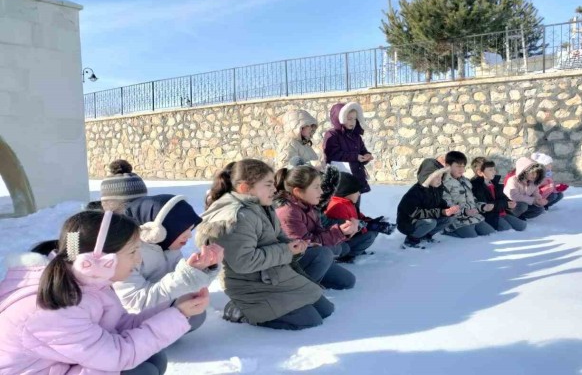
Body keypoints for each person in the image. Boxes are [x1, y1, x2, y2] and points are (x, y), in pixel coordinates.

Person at [0, 210, 208, 375]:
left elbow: (118, 324)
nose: (139, 260)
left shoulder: (87, 282)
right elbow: (117, 355)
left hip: (56, 365)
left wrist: (176, 308)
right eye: (133, 252)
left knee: (152, 359)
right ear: (98, 259)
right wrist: (179, 315)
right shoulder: (53, 308)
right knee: (139, 368)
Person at [196, 159, 333, 331]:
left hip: (272, 275)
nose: (274, 189)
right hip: (250, 286)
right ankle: (240, 310)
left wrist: (293, 246)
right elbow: (243, 262)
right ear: (245, 188)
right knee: (310, 320)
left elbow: (278, 237)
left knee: (326, 310)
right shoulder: (236, 217)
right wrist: (285, 250)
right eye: (268, 184)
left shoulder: (262, 207)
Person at [116, 195, 222, 333]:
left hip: (157, 315)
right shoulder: (128, 254)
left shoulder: (170, 249)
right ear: (159, 230)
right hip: (129, 324)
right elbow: (134, 303)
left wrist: (205, 268)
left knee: (195, 311)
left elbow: (185, 288)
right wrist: (184, 278)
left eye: (191, 229)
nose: (189, 236)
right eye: (182, 229)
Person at [274, 166, 357, 290]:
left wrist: (343, 231)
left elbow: (319, 232)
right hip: (289, 264)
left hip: (308, 257)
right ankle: (302, 291)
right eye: (316, 187)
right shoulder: (287, 212)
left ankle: (312, 279)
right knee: (324, 254)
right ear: (298, 191)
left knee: (348, 281)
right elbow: (302, 245)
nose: (321, 192)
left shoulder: (308, 206)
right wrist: (338, 233)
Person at [324, 173, 393, 262]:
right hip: (340, 243)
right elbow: (346, 231)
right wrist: (367, 227)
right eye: (357, 191)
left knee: (374, 230)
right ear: (346, 191)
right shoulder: (338, 206)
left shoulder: (347, 203)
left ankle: (356, 250)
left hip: (349, 237)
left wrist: (373, 221)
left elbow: (359, 216)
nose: (359, 194)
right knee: (370, 235)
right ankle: (347, 256)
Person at [396, 159, 459, 249]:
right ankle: (411, 240)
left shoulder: (436, 188)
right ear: (428, 176)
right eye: (437, 177)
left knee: (449, 218)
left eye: (441, 177)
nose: (440, 180)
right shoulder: (415, 192)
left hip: (424, 219)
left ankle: (425, 236)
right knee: (430, 222)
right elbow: (416, 213)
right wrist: (441, 212)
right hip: (408, 223)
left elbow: (439, 202)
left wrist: (448, 209)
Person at [322, 102, 373, 200]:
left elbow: (362, 150)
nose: (352, 122)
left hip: (356, 176)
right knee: (343, 205)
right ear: (339, 119)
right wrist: (355, 157)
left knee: (355, 203)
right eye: (349, 119)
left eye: (354, 119)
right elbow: (332, 155)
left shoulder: (356, 136)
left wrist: (367, 156)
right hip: (342, 179)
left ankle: (357, 215)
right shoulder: (332, 135)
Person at [441, 151, 497, 238]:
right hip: (457, 221)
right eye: (458, 166)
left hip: (474, 218)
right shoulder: (444, 183)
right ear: (448, 166)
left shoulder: (465, 181)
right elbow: (447, 206)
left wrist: (482, 207)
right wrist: (465, 212)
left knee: (490, 233)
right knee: (472, 238)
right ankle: (446, 233)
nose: (462, 170)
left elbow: (473, 200)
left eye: (463, 166)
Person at [470, 158, 527, 232]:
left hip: (501, 212)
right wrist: (506, 204)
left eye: (494, 169)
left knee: (522, 226)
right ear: (480, 172)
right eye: (490, 170)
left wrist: (509, 202)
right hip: (490, 216)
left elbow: (502, 197)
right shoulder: (476, 186)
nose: (494, 172)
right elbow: (487, 205)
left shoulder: (494, 182)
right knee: (507, 230)